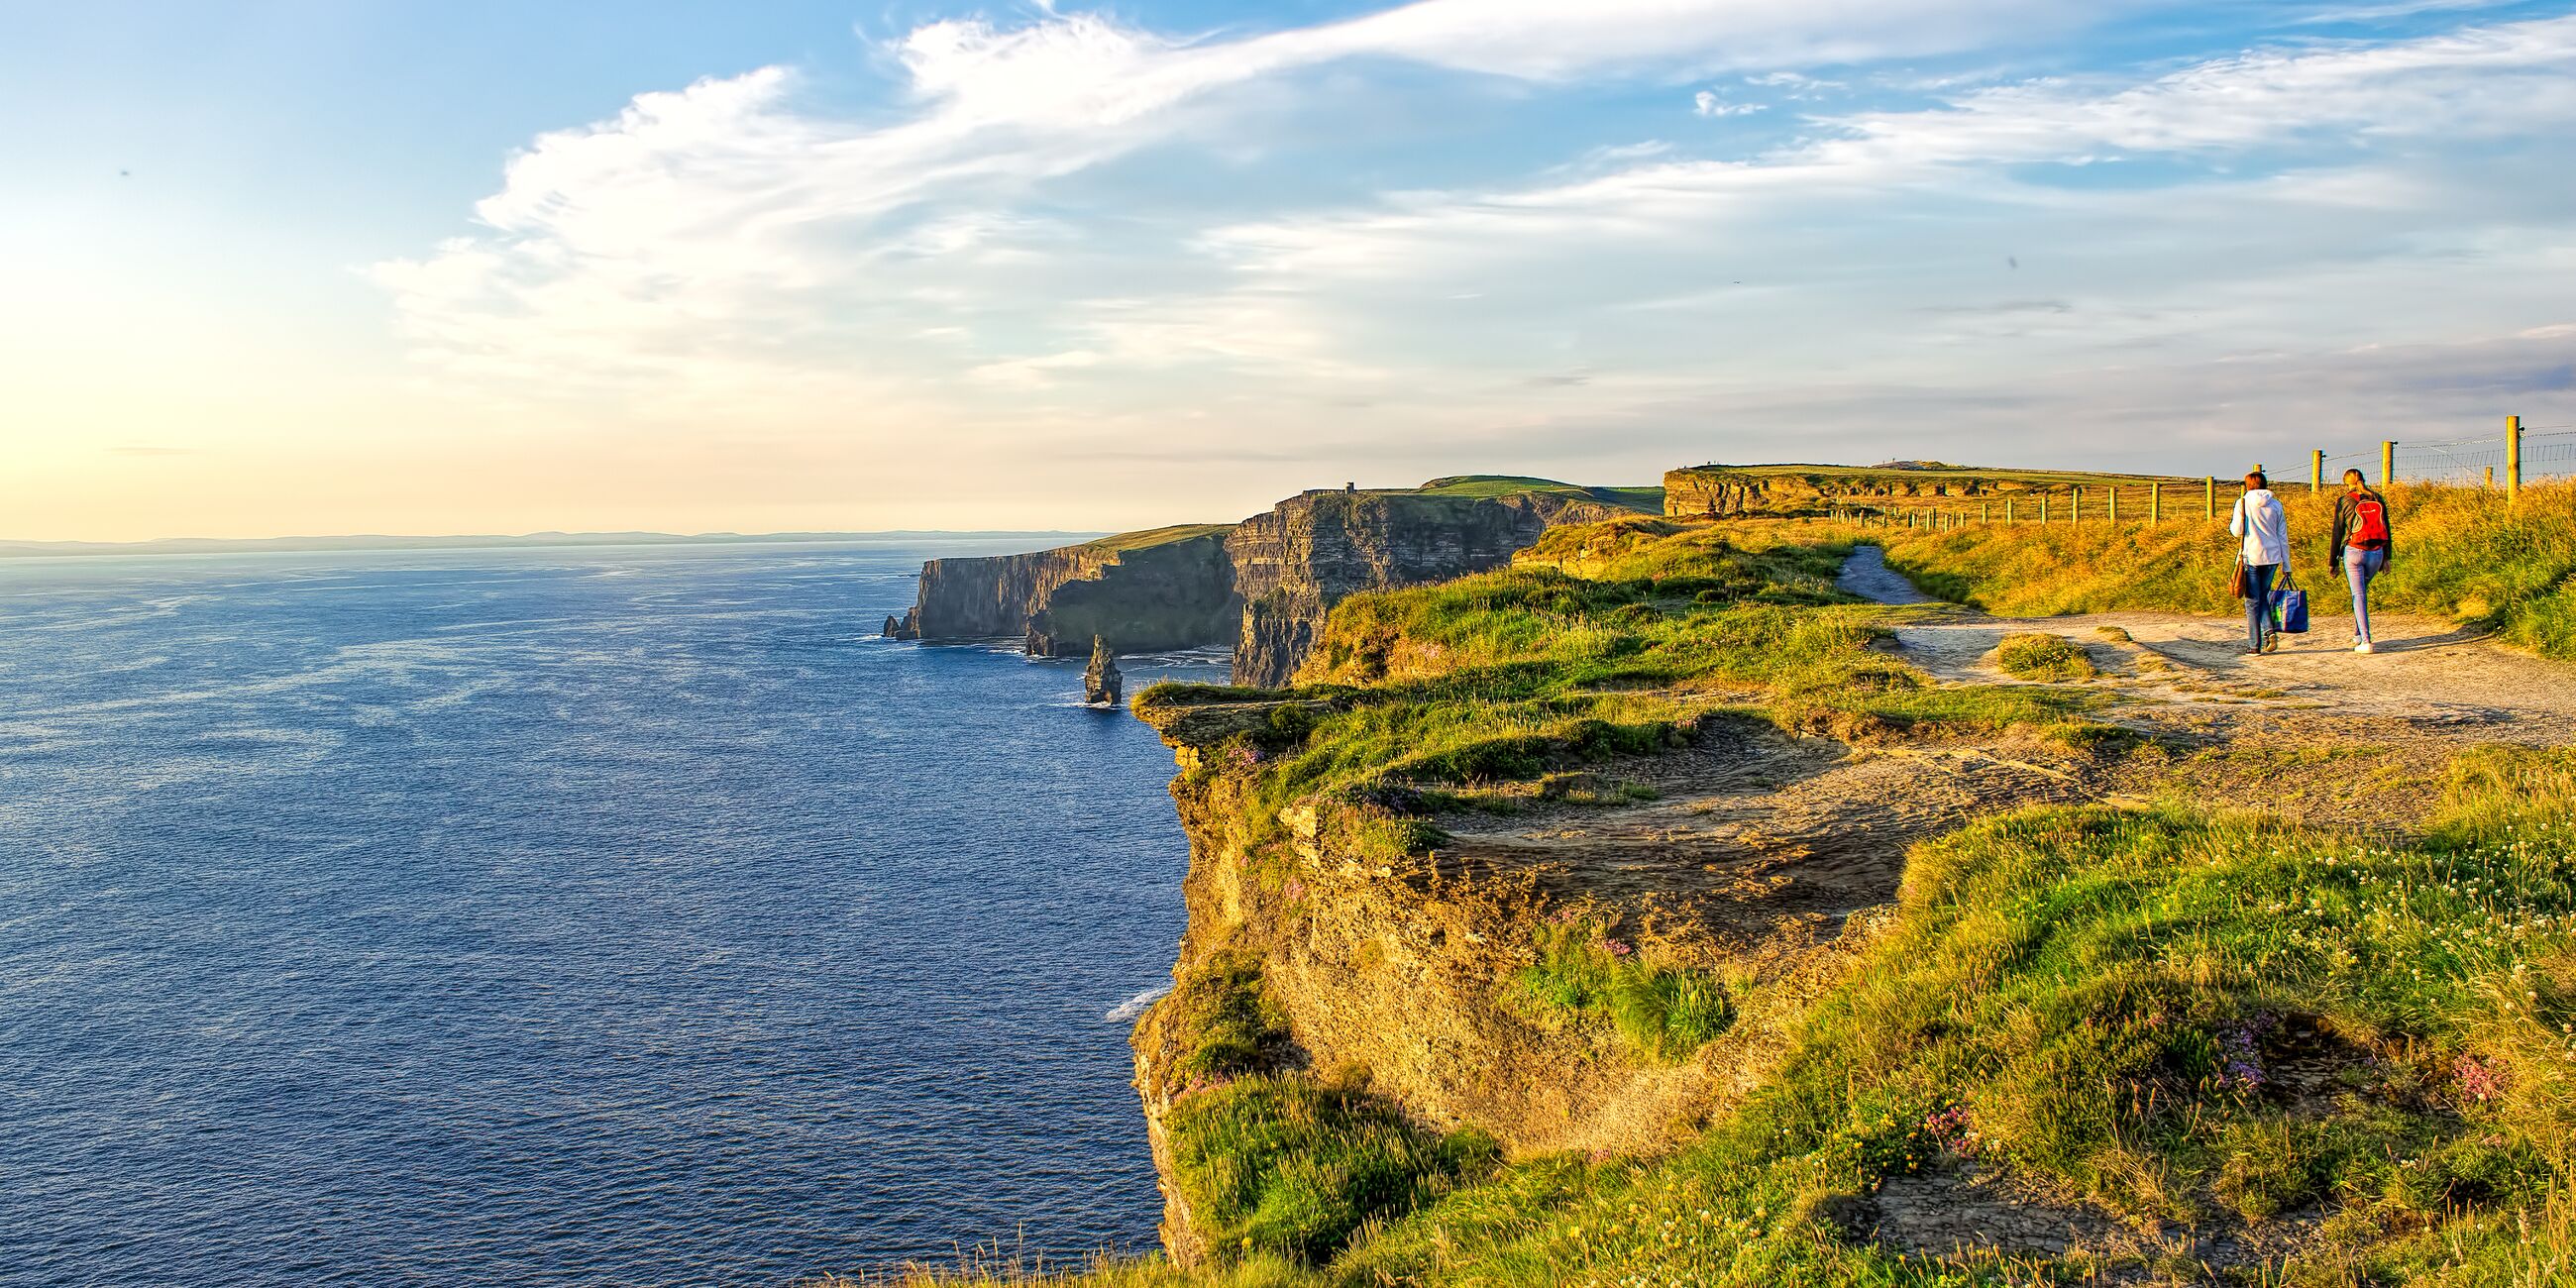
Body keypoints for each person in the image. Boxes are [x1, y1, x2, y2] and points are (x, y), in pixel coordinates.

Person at [2328, 468, 2393, 654]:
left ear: (2345, 482)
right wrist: (2387, 557)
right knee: (2362, 593)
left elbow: (2337, 531)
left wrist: (2333, 561)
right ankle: (2358, 634)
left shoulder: (2345, 500)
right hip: (2376, 553)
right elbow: (2387, 528)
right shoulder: (2377, 498)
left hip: (2354, 552)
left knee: (2358, 595)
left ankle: (2366, 640)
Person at [2228, 469, 2288, 655]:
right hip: (2273, 557)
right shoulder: (2276, 505)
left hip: (2251, 557)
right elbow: (2282, 535)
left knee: (2252, 601)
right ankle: (2269, 632)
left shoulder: (2242, 503)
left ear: (2247, 486)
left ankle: (2254, 645)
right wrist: (2287, 564)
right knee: (2262, 595)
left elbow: (2237, 531)